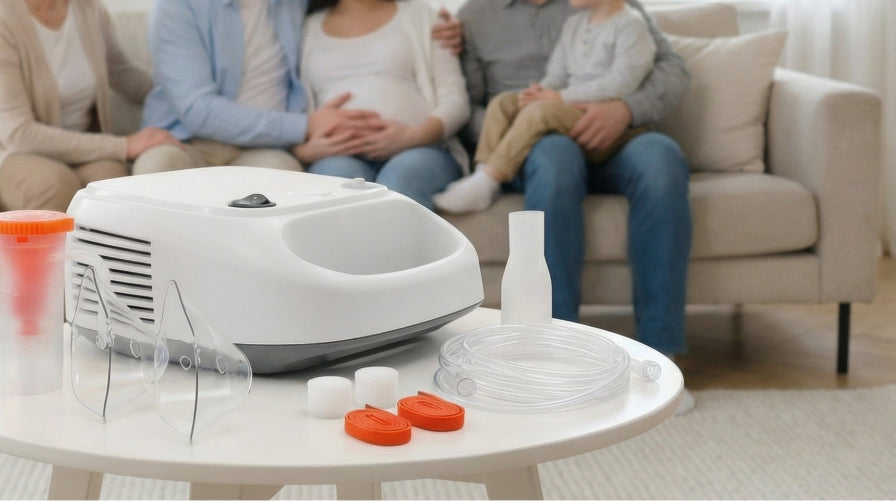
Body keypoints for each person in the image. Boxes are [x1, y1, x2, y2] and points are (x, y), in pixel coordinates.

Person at [455, 0, 695, 411]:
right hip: (535, 144)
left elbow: (673, 70)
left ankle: (660, 359)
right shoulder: (476, 15)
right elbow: (468, 107)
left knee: (662, 159)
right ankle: (555, 357)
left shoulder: (615, 9)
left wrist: (625, 108)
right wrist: (525, 116)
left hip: (619, 134)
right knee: (556, 159)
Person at [135, 0, 466, 175]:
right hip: (186, 141)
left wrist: (452, 25)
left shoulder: (295, 5)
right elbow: (198, 110)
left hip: (265, 148)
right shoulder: (178, 5)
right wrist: (305, 126)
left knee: (289, 184)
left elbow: (365, 14)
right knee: (156, 171)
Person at [0, 0, 180, 228]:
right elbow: (19, 134)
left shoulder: (89, 9)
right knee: (53, 185)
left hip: (70, 147)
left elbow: (123, 74)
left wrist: (187, 96)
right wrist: (124, 145)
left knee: (110, 184)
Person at [434, 0, 652, 213]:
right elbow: (558, 72)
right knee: (503, 103)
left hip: (599, 115)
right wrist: (539, 93)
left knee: (540, 113)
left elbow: (622, 82)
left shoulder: (631, 24)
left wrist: (558, 97)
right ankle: (481, 174)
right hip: (569, 106)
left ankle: (490, 177)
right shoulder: (575, 23)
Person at [296, 0, 469, 210]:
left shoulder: (424, 15)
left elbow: (455, 98)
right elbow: (287, 108)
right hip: (336, 156)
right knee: (335, 187)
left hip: (422, 149)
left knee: (399, 182)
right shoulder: (305, 28)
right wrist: (303, 151)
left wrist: (413, 137)